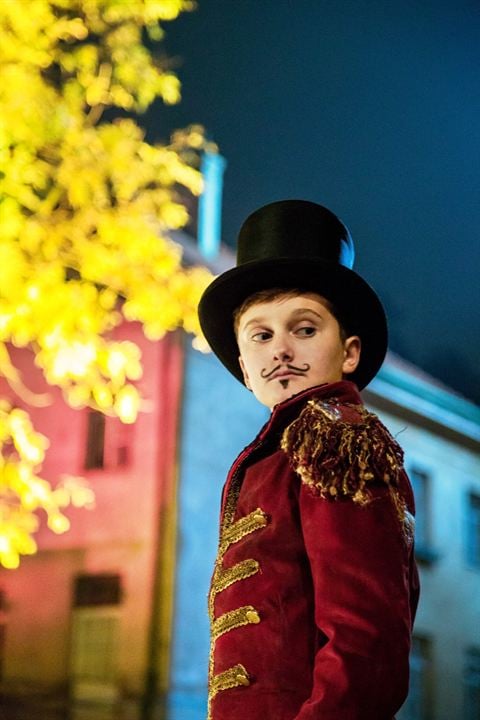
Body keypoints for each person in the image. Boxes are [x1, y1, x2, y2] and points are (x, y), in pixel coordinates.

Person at [198, 199, 420, 720]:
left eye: (304, 329)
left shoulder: (337, 441)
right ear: (245, 368)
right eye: (260, 335)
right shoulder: (274, 454)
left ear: (349, 352)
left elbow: (366, 642)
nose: (280, 350)